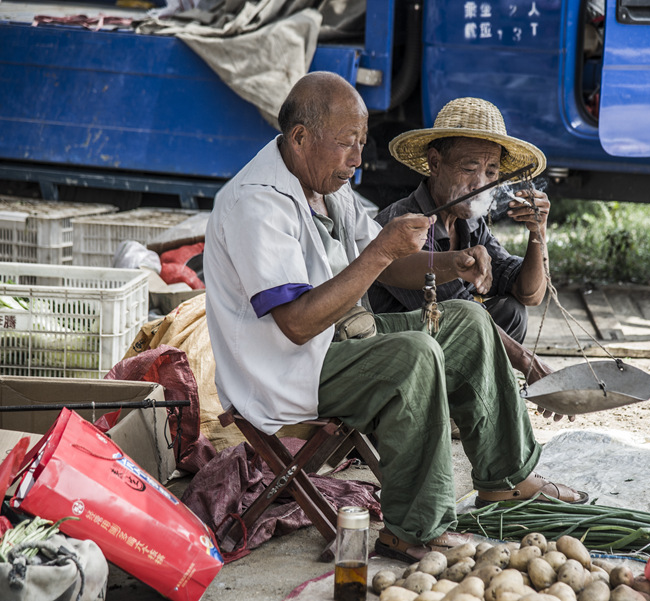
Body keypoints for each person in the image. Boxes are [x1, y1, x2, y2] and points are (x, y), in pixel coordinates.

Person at [204, 72, 587, 563]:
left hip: (335, 343)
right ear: (300, 138)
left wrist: (454, 263)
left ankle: (507, 478)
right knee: (415, 352)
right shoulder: (257, 202)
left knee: (467, 323)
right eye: (346, 144)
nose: (358, 159)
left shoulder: (325, 185)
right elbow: (296, 324)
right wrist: (381, 252)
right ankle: (413, 528)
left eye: (362, 143)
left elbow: (386, 262)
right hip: (282, 369)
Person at [369, 97, 559, 390]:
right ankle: (456, 403)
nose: (480, 184)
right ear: (435, 163)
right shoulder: (403, 224)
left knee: (511, 310)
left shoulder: (469, 223)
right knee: (475, 318)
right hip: (401, 357)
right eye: (470, 168)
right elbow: (460, 312)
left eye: (491, 172)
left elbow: (530, 293)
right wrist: (527, 363)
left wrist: (537, 231)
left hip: (446, 343)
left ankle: (466, 400)